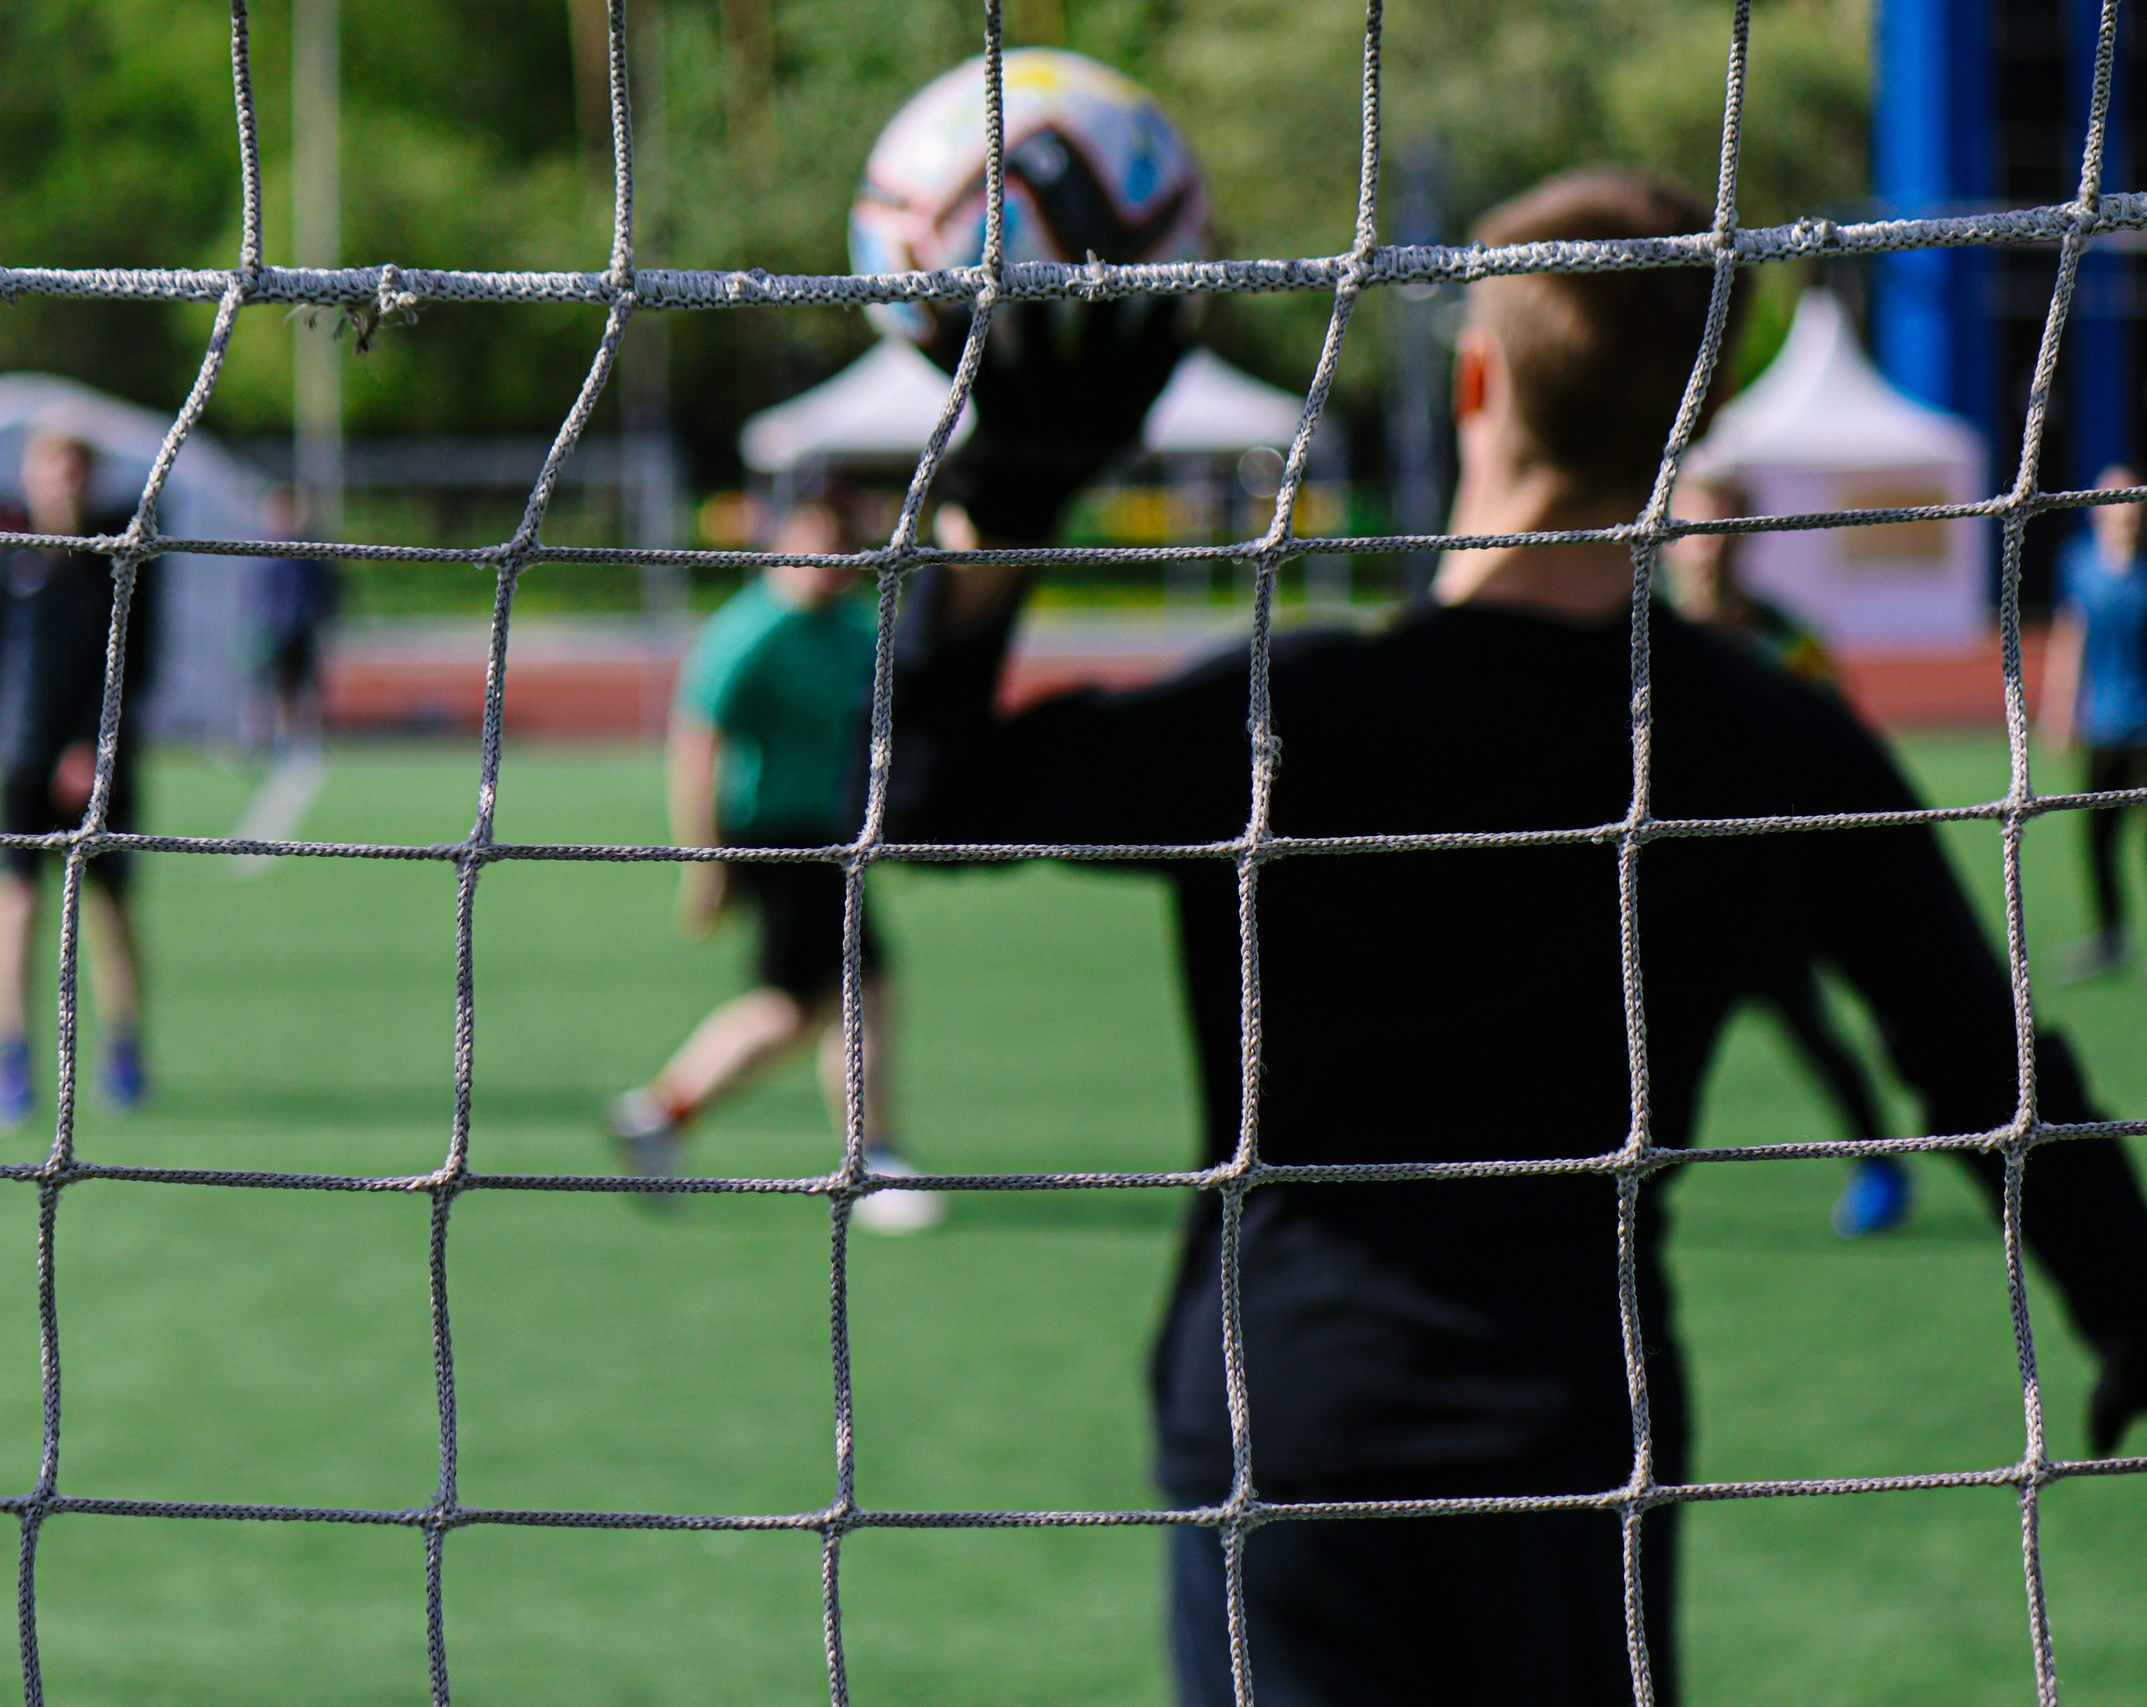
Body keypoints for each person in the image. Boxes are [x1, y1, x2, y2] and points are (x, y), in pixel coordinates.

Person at [886, 168, 2147, 1706]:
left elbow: (919, 800)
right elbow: (1984, 1059)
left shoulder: (1295, 714)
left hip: (1289, 1418)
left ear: (1476, 378)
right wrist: (2127, 1293)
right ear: (1696, 418)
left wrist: (1005, 499)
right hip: (1574, 1440)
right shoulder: (1766, 741)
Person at [609, 498, 942, 1234]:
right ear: (786, 541)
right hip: (778, 840)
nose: (836, 557)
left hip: (833, 841)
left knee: (811, 1005)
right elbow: (697, 746)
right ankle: (873, 1158)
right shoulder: (752, 631)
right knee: (854, 994)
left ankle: (664, 1111)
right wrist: (706, 864)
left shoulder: (854, 625)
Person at [1666, 475, 1909, 1237]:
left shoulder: (1786, 643)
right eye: (1696, 529)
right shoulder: (1640, 641)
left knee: (1814, 1033)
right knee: (1645, 1057)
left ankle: (1880, 1162)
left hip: (1768, 892)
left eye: (1724, 529)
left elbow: (1843, 753)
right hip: (1669, 897)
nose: (1709, 548)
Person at [0, 430, 158, 1131]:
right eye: (46, 467)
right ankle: (9, 1059)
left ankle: (123, 1048)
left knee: (110, 909)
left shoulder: (120, 557)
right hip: (22, 760)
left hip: (103, 761)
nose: (57, 481)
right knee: (14, 903)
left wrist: (94, 745)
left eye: (71, 468)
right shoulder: (14, 555)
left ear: (88, 477)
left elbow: (138, 659)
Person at [2044, 467, 2147, 980]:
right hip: (2102, 727)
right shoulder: (2080, 564)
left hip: (2145, 729)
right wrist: (2058, 711)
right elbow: (2071, 638)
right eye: (2115, 501)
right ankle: (2110, 938)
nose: (2125, 511)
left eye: (2131, 501)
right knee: (2097, 841)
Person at [253, 486, 340, 753]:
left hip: (303, 628)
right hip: (272, 629)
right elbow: (257, 594)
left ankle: (307, 737)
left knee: (308, 685)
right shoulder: (261, 551)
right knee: (271, 684)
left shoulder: (310, 551)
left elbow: (325, 589)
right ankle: (274, 737)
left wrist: (325, 620)